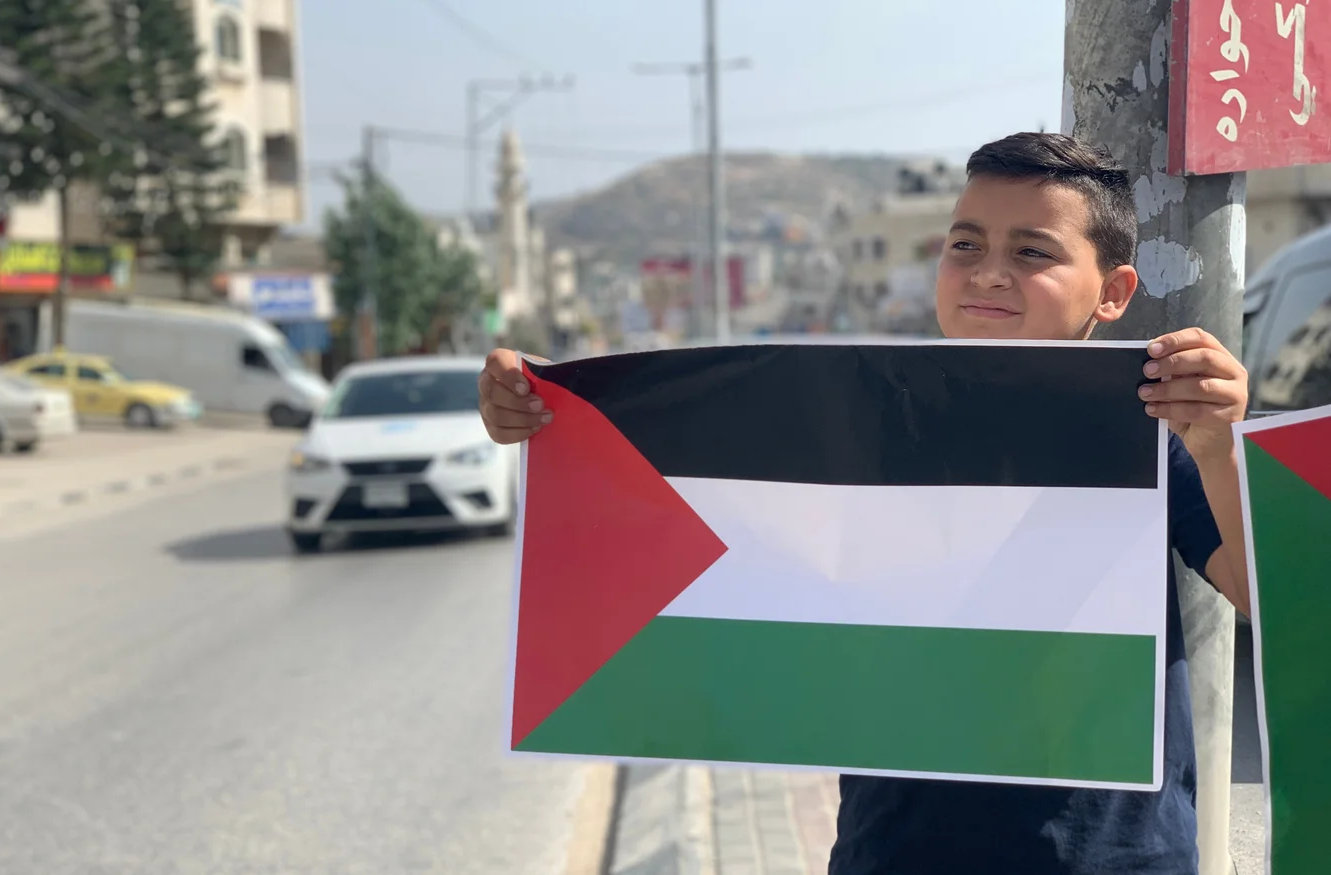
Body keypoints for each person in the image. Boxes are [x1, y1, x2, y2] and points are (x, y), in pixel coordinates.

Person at [476, 132, 1251, 875]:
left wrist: (1218, 444)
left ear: (1113, 292)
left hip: (1111, 857)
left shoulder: (1151, 434)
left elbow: (1267, 598)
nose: (987, 272)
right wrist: (551, 406)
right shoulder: (859, 415)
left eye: (1033, 251)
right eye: (965, 243)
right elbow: (685, 462)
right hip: (898, 852)